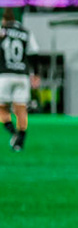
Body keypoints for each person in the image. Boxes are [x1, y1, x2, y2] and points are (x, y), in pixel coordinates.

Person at [0, 9, 38, 152]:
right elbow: (34, 52)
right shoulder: (26, 32)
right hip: (22, 75)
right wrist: (35, 74)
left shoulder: (2, 30)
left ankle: (14, 133)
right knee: (21, 108)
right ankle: (19, 141)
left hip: (4, 74)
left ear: (4, 19)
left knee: (2, 108)